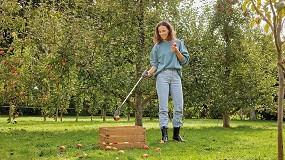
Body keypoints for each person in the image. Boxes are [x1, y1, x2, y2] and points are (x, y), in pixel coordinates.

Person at [145, 20, 189, 142]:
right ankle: (164, 135)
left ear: (169, 30)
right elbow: (155, 64)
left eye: (163, 31)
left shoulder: (178, 43)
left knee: (179, 106)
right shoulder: (157, 47)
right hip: (162, 76)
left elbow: (184, 61)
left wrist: (176, 51)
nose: (161, 33)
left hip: (175, 75)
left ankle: (176, 134)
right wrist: (149, 72)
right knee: (163, 107)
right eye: (159, 32)